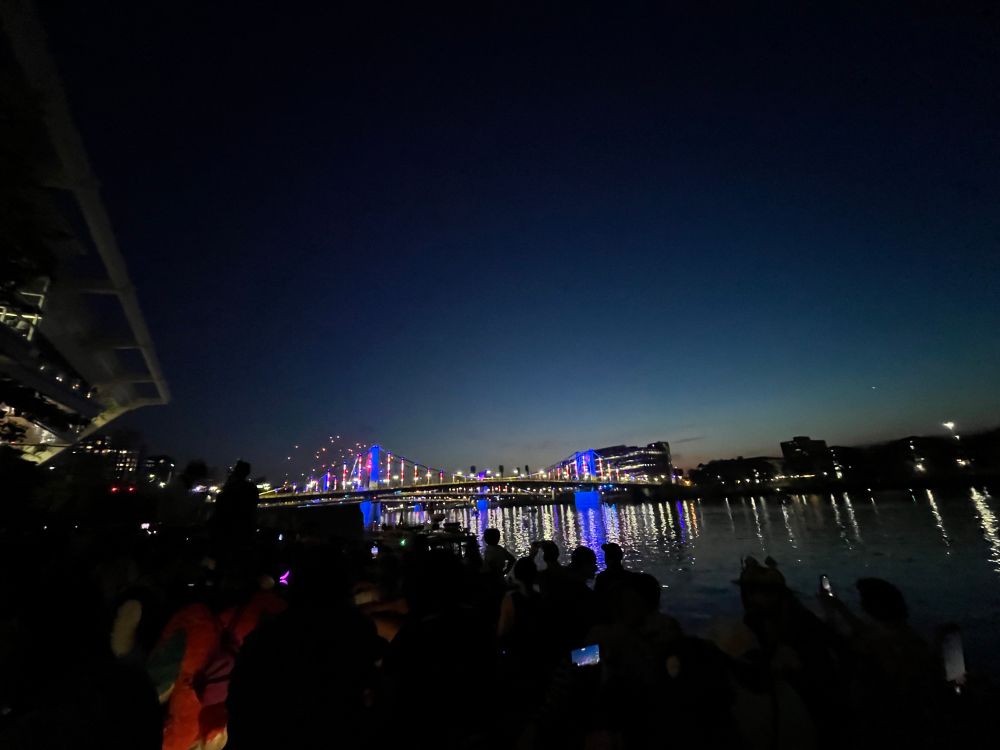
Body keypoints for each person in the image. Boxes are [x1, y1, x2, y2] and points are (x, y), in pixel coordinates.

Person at [211, 461, 259, 549]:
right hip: (245, 531)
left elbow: (220, 505)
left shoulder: (230, 487)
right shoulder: (251, 488)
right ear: (248, 472)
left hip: (228, 531)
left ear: (236, 471)